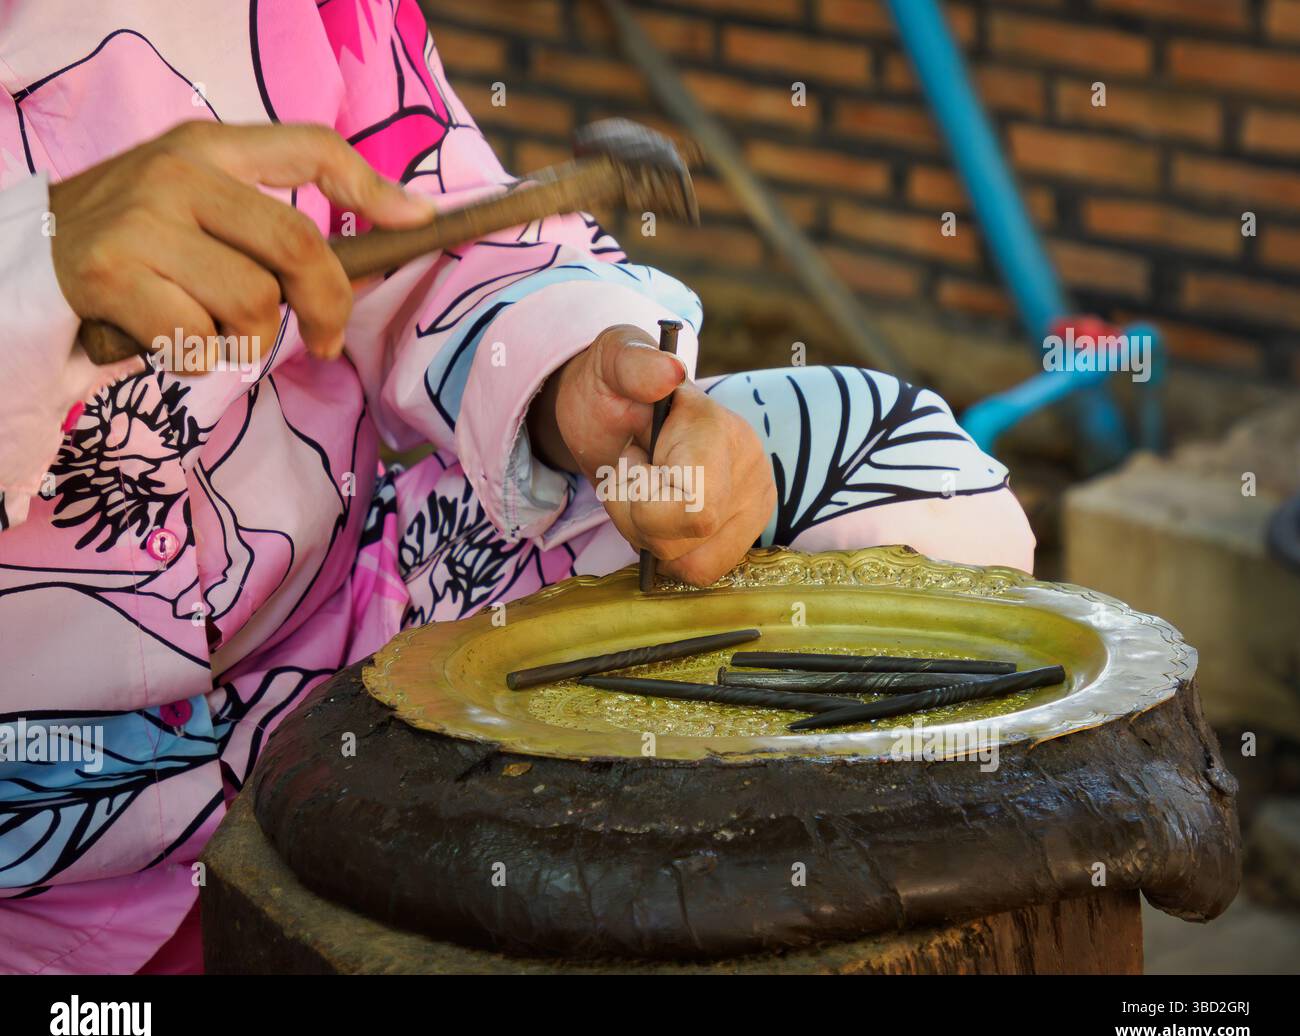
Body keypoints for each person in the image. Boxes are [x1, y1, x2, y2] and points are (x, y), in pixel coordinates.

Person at [0, 0, 1033, 974]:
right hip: (27, 823)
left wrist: (573, 385)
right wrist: (33, 273)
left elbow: (435, 233)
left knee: (867, 458)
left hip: (326, 661)